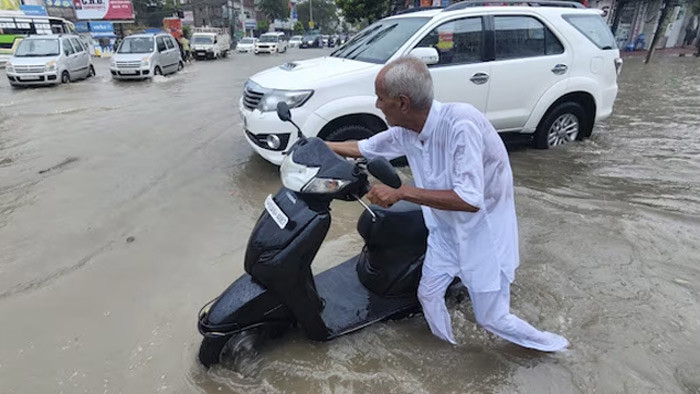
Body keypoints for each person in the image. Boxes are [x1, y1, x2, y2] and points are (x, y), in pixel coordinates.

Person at [327, 56, 569, 352]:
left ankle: (556, 348)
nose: (377, 105)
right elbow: (364, 147)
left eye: (381, 99)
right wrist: (315, 146)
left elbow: (470, 199)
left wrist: (402, 192)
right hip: (443, 230)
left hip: (483, 235)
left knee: (492, 318)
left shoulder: (461, 124)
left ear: (402, 102)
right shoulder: (407, 131)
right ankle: (448, 351)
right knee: (428, 294)